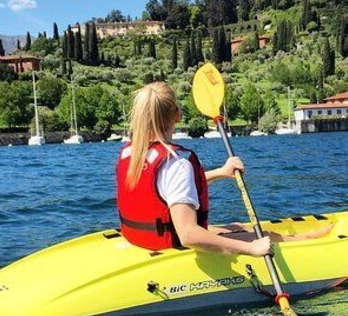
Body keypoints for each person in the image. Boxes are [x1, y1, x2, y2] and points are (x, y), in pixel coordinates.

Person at [116, 82, 333, 256]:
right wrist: (251, 249)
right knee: (258, 236)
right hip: (174, 247)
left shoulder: (132, 154)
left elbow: (169, 191)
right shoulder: (175, 162)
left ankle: (305, 237)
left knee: (237, 226)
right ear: (177, 116)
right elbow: (189, 235)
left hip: (143, 240)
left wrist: (221, 172)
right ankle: (307, 241)